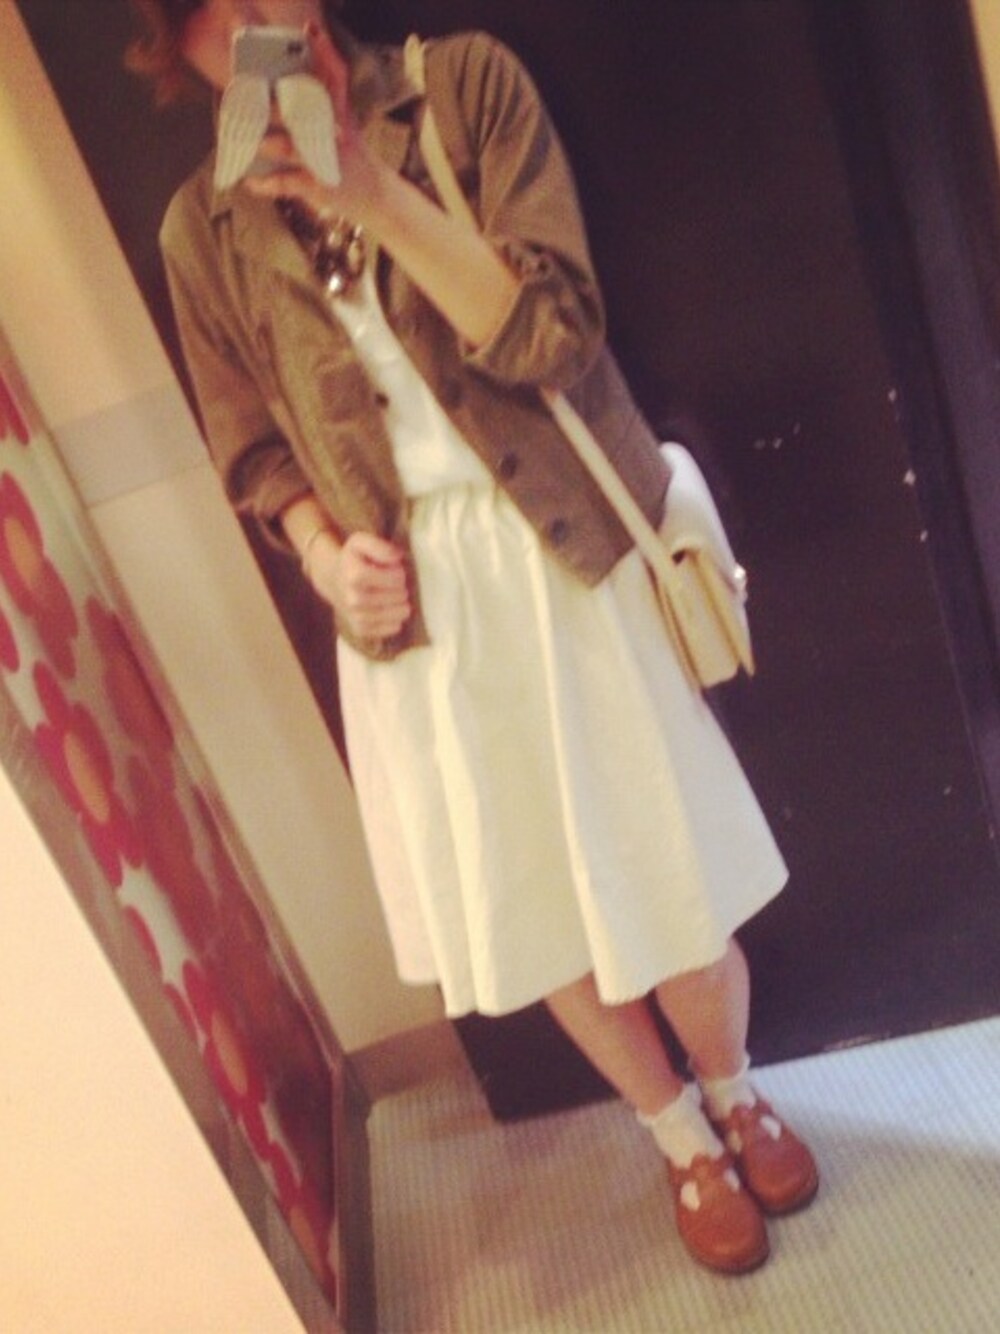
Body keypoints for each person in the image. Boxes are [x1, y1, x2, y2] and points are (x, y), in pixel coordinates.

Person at [128, 0, 819, 1274]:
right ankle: (676, 1134)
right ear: (176, 48)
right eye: (218, 20)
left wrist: (370, 192)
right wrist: (324, 556)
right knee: (535, 907)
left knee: (669, 870)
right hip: (414, 618)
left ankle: (735, 1091)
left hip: (563, 555)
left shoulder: (462, 89)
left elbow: (555, 331)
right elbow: (251, 448)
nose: (258, 22)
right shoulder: (200, 229)